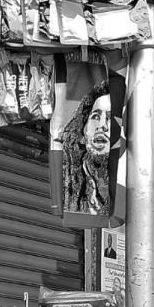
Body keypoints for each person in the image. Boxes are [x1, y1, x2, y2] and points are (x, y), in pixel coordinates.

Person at [61, 78, 124, 217]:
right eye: (96, 116)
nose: (102, 125)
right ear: (82, 131)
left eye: (110, 118)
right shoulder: (69, 179)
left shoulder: (125, 185)